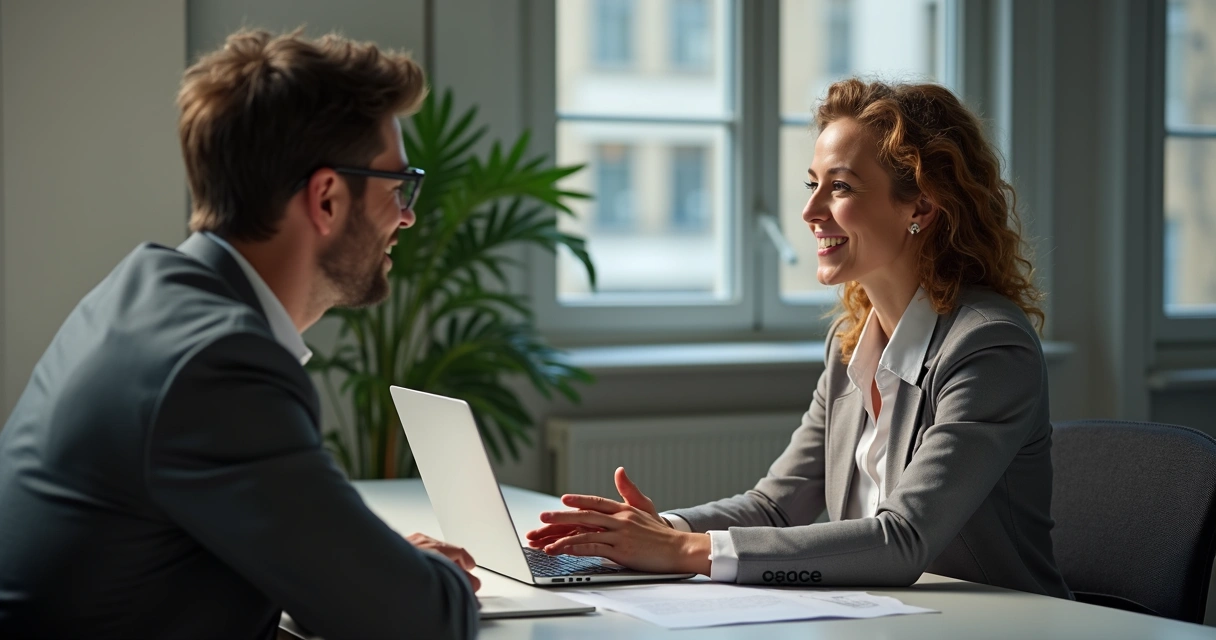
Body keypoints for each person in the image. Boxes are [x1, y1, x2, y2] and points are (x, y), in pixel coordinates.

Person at [0, 30, 479, 638]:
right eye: (398, 186)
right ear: (327, 198)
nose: (407, 214)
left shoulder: (144, 290)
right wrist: (412, 581)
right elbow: (419, 622)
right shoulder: (219, 362)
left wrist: (372, 569)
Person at [526, 78, 1073, 600]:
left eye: (840, 187)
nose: (810, 212)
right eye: (813, 184)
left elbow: (904, 541)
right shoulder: (851, 343)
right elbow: (774, 506)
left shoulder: (990, 347)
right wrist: (654, 530)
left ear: (921, 207)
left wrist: (685, 550)